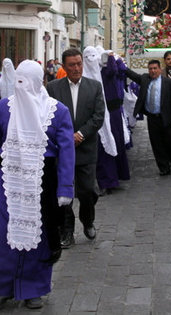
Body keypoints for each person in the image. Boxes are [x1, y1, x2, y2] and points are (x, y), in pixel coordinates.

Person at [0, 60, 75, 312]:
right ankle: (1, 289)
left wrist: (65, 188)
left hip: (43, 182)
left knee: (40, 237)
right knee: (0, 236)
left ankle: (34, 289)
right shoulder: (2, 108)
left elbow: (66, 151)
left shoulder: (57, 111)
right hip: (8, 181)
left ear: (38, 81)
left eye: (25, 81)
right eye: (16, 80)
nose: (20, 86)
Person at [46, 48, 105, 248]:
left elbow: (98, 116)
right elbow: (48, 115)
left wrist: (80, 134)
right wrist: (64, 137)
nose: (77, 68)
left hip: (86, 148)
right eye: (72, 64)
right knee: (64, 193)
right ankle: (67, 230)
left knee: (88, 191)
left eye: (79, 63)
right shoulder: (53, 88)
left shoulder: (94, 87)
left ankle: (87, 220)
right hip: (62, 150)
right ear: (64, 66)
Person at [86, 48, 130, 195]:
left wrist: (111, 57)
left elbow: (117, 69)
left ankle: (113, 179)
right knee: (100, 151)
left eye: (94, 56)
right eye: (88, 57)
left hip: (112, 113)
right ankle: (103, 182)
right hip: (95, 118)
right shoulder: (85, 78)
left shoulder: (104, 71)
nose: (91, 60)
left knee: (114, 144)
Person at [127, 60, 171, 176]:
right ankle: (163, 167)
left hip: (167, 117)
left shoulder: (169, 83)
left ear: (160, 69)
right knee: (156, 144)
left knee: (170, 142)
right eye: (150, 69)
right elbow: (131, 74)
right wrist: (119, 64)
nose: (152, 71)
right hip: (152, 118)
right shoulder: (145, 80)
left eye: (155, 68)